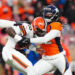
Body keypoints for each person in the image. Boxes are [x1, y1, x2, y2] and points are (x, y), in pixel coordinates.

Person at [20, 5, 72, 75]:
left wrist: (28, 40)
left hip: (59, 58)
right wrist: (32, 47)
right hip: (46, 59)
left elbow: (45, 39)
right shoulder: (41, 24)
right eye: (46, 14)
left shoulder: (56, 25)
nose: (47, 16)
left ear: (55, 15)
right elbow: (28, 44)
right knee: (31, 73)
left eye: (49, 15)